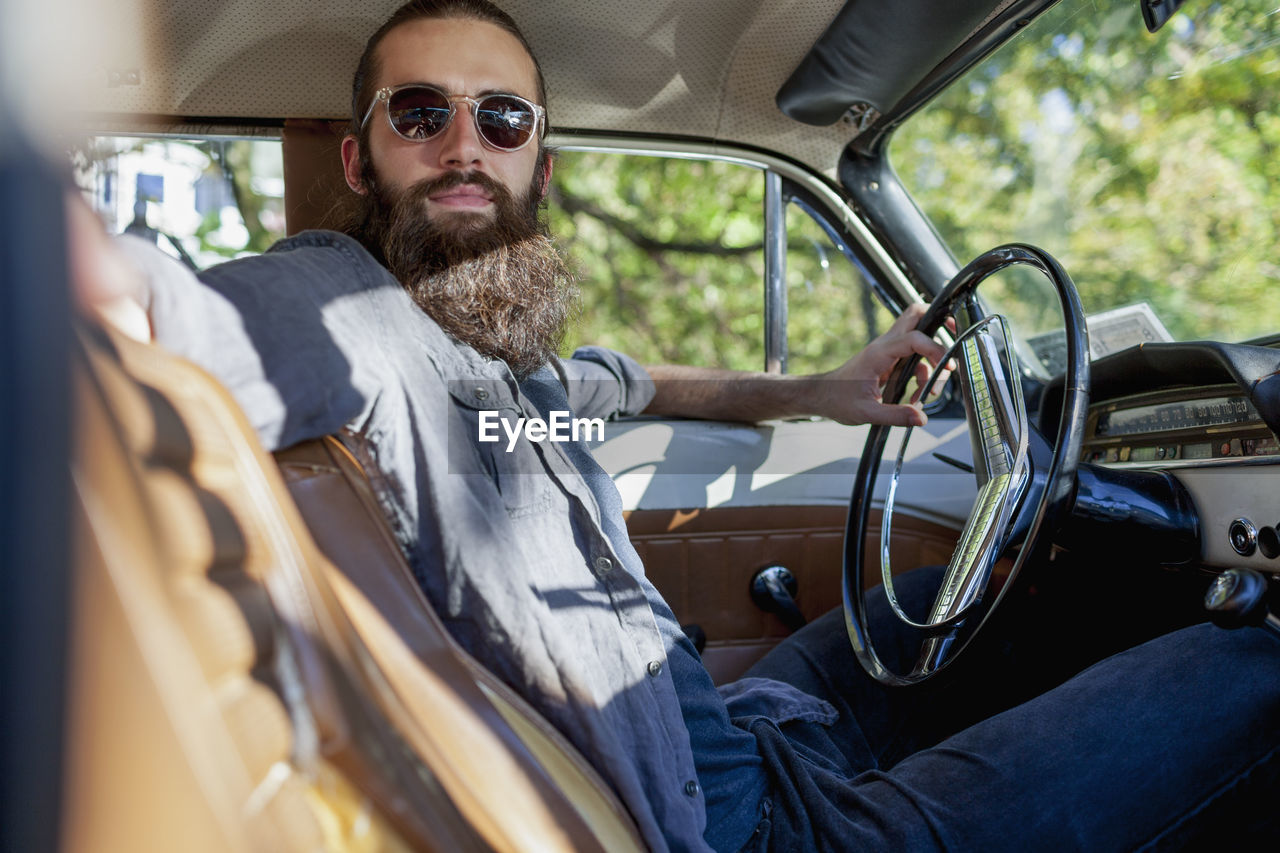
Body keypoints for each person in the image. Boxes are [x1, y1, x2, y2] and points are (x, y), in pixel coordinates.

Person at [82, 1, 1278, 850]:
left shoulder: (498, 381)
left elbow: (634, 384)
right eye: (420, 114)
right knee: (1253, 660)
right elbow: (151, 307)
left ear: (539, 167)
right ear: (361, 156)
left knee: (1024, 595)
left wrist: (817, 390)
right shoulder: (353, 315)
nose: (464, 146)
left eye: (503, 120)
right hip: (757, 832)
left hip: (751, 737)